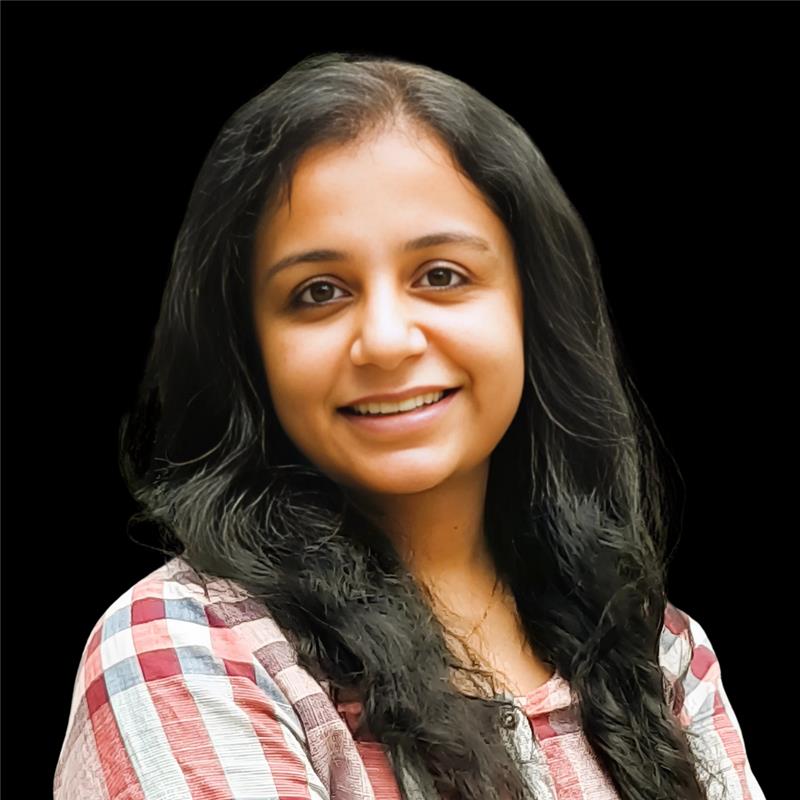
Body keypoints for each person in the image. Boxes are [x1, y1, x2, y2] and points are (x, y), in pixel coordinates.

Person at [54, 51, 764, 800]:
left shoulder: (661, 658)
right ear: (247, 350)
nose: (387, 340)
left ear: (533, 308)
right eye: (319, 291)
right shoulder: (187, 651)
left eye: (442, 275)